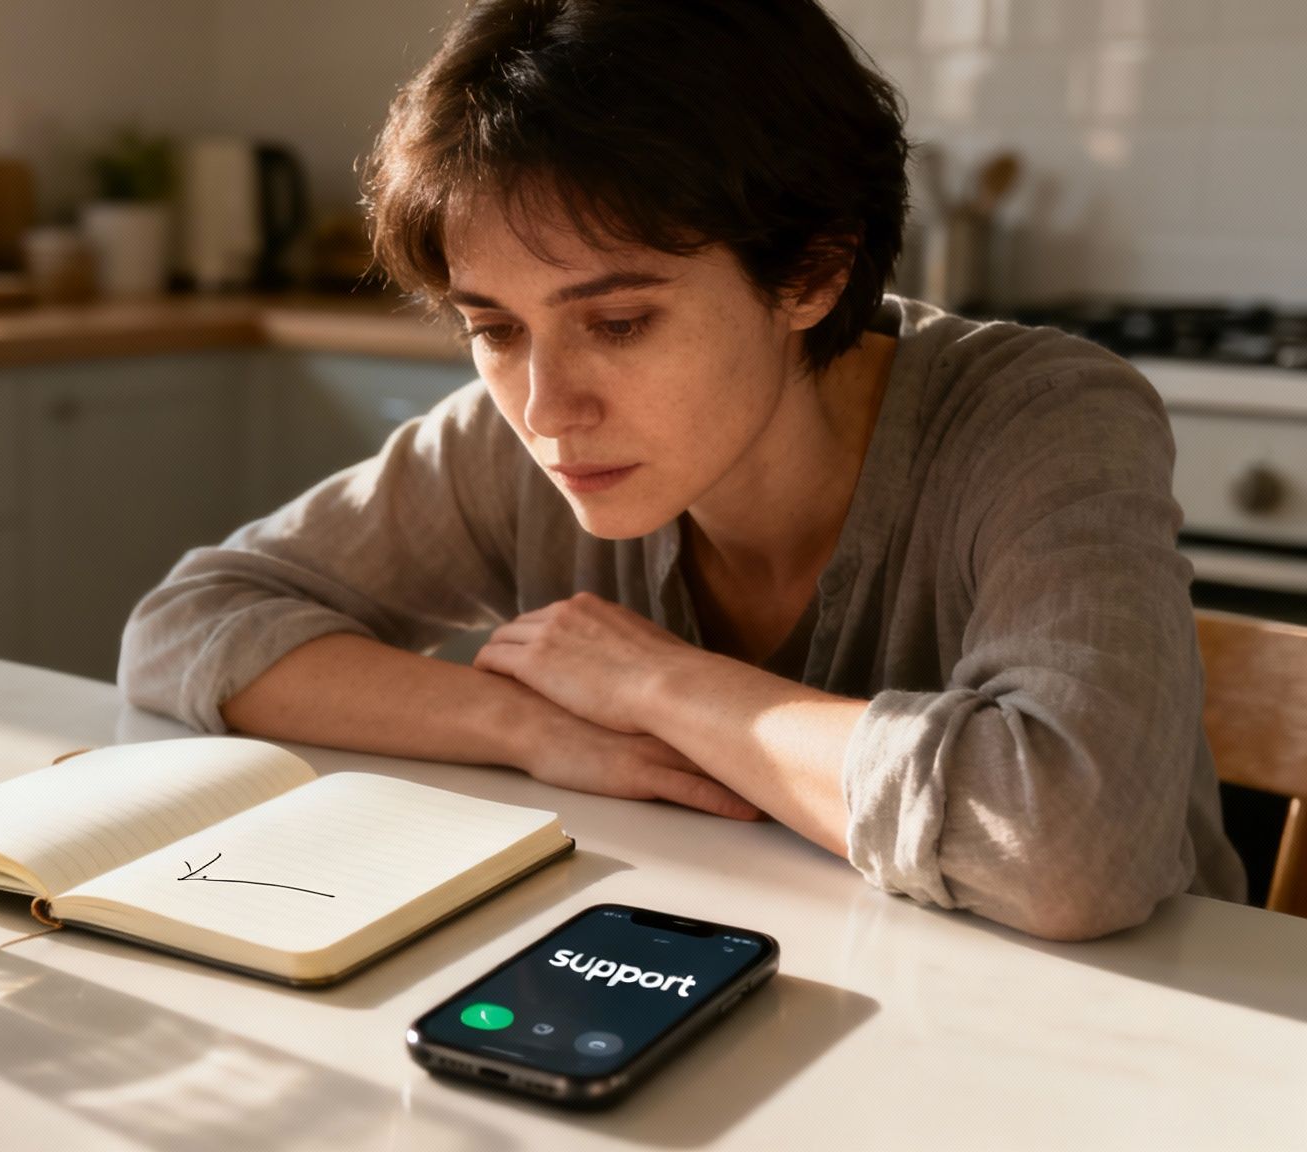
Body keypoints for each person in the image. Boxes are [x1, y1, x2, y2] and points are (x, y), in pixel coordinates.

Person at [118, 0, 1246, 941]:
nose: (545, 409)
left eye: (615, 322)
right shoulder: (505, 437)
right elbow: (186, 627)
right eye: (495, 328)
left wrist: (662, 686)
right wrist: (529, 728)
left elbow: (1069, 850)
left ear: (809, 274)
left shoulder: (1042, 417)